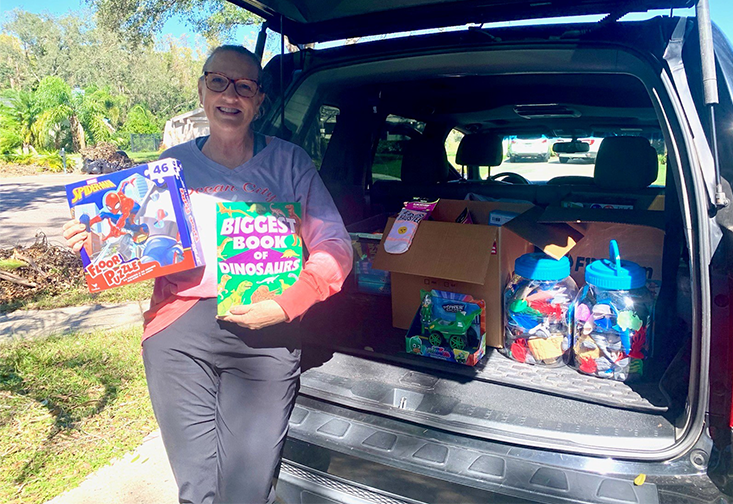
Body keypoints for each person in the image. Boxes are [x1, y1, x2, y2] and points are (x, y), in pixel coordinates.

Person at [63, 45, 353, 504]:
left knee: (248, 490)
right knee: (197, 491)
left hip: (267, 333)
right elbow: (135, 242)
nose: (230, 95)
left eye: (244, 86)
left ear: (259, 101)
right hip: (178, 333)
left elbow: (335, 248)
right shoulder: (170, 165)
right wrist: (97, 239)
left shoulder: (290, 163)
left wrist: (285, 305)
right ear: (201, 90)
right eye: (218, 82)